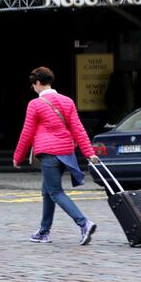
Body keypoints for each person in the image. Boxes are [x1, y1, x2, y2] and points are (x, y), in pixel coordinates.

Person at [13, 66, 100, 245]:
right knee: (47, 191)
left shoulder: (35, 104)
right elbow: (78, 128)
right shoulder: (67, 101)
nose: (33, 88)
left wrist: (18, 156)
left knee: (55, 192)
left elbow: (27, 132)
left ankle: (84, 223)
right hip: (66, 152)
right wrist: (89, 153)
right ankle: (43, 232)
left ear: (38, 83)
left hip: (49, 153)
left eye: (33, 85)